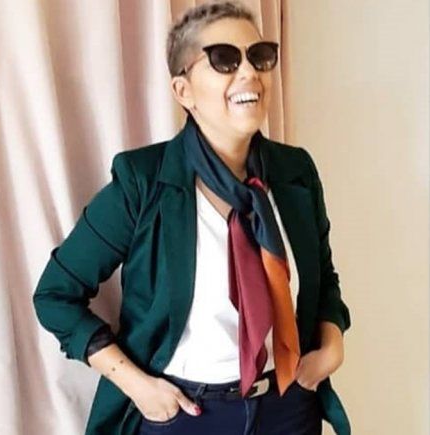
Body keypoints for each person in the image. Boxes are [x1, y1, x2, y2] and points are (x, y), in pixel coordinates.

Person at [31, 1, 352, 434]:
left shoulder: (295, 171)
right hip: (185, 416)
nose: (248, 72)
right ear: (183, 91)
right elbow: (55, 295)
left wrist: (331, 348)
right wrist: (138, 386)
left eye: (258, 56)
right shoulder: (142, 182)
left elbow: (324, 279)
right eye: (224, 59)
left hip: (287, 408)